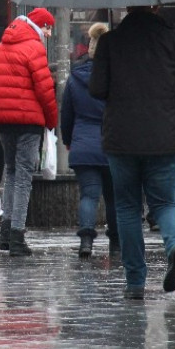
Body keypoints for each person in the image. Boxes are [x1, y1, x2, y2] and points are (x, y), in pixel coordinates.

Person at [89, 5, 175, 299]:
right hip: (163, 137)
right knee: (165, 203)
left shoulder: (110, 41)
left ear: (127, 7)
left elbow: (97, 89)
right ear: (155, 6)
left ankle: (135, 282)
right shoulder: (173, 41)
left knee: (127, 207)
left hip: (121, 138)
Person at [0, 7, 58, 256]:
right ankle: (17, 236)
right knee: (23, 177)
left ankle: (6, 232)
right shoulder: (34, 48)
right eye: (47, 28)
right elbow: (45, 90)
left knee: (10, 172)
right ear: (38, 26)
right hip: (29, 122)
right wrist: (52, 120)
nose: (49, 34)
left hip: (4, 122)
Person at [60, 22, 117, 258]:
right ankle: (116, 241)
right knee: (114, 196)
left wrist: (69, 140)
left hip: (83, 145)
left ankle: (86, 241)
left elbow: (66, 114)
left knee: (89, 195)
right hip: (113, 144)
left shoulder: (75, 77)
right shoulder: (117, 76)